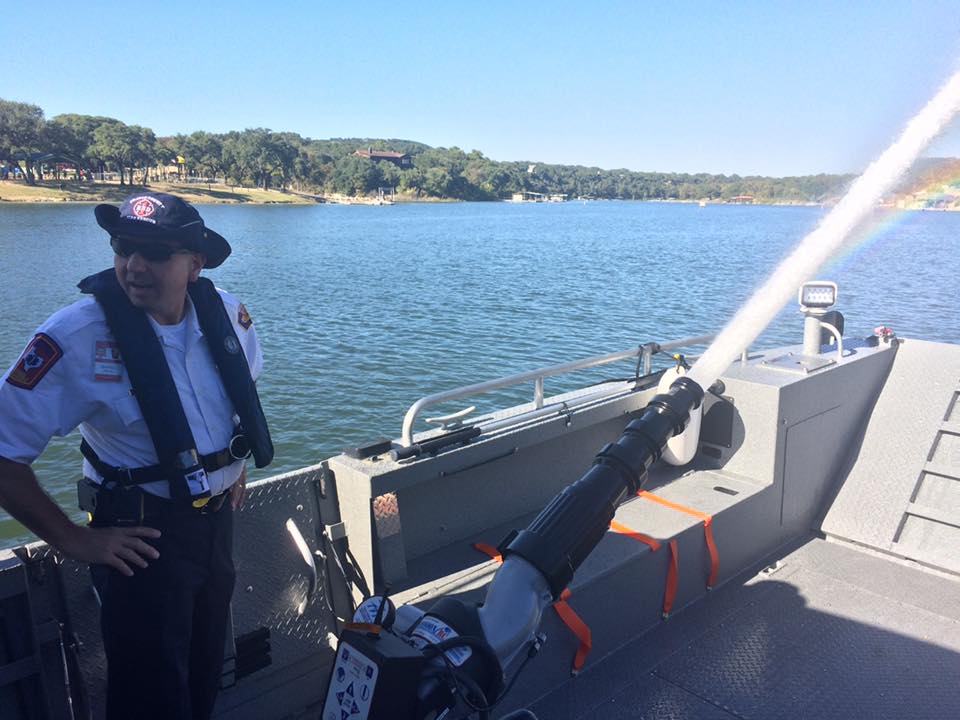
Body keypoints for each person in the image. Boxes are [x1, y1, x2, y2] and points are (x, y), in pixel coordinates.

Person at [0, 192, 273, 720]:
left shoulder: (229, 318)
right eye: (124, 248)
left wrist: (231, 469)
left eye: (155, 252)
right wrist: (74, 538)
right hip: (140, 541)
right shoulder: (74, 337)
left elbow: (243, 391)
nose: (134, 265)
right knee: (148, 698)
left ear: (196, 265)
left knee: (202, 677)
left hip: (216, 530)